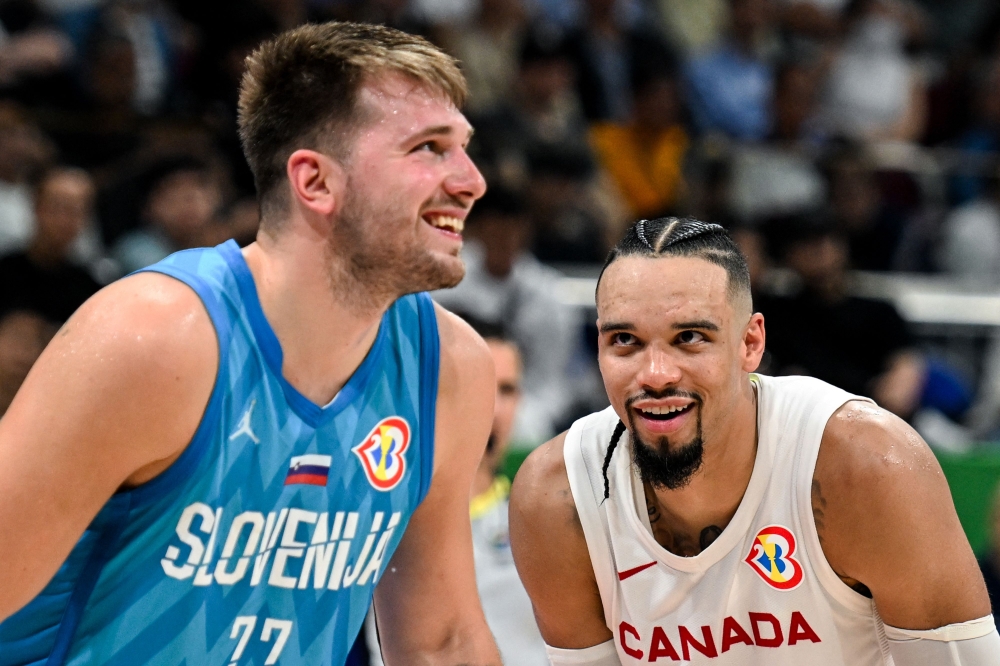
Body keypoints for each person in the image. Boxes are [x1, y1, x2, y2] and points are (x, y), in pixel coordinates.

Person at [0, 21, 503, 666]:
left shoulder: (449, 368)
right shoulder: (158, 340)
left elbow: (442, 643)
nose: (471, 180)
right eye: (430, 149)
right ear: (315, 182)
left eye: (464, 147)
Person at [509, 217, 998, 665]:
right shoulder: (558, 497)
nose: (655, 374)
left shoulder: (865, 465)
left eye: (690, 338)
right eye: (625, 341)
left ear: (751, 344)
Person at [0, 166, 102, 323]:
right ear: (36, 207)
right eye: (58, 207)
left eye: (75, 210)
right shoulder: (5, 272)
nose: (64, 220)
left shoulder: (90, 289)